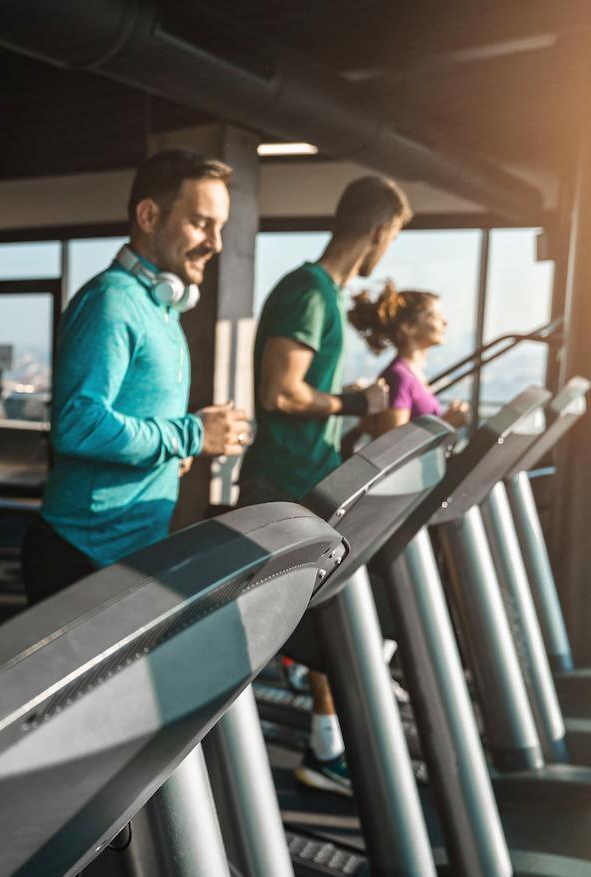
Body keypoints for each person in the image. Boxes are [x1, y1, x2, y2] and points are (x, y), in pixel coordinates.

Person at [238, 174, 412, 796]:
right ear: (377, 229)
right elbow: (280, 391)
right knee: (305, 627)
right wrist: (353, 402)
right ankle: (309, 751)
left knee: (319, 622)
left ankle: (325, 741)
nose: (388, 250)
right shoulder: (310, 292)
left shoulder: (325, 295)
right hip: (281, 485)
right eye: (393, 236)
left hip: (301, 478)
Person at [21, 149, 251, 605]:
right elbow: (78, 424)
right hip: (82, 556)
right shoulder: (112, 301)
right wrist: (190, 436)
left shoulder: (160, 307)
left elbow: (137, 419)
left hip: (127, 553)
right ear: (148, 215)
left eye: (220, 228)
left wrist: (174, 449)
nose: (216, 243)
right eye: (201, 223)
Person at [348, 281, 471, 434]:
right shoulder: (399, 377)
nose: (445, 322)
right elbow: (391, 449)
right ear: (408, 327)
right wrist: (447, 423)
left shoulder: (412, 374)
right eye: (434, 316)